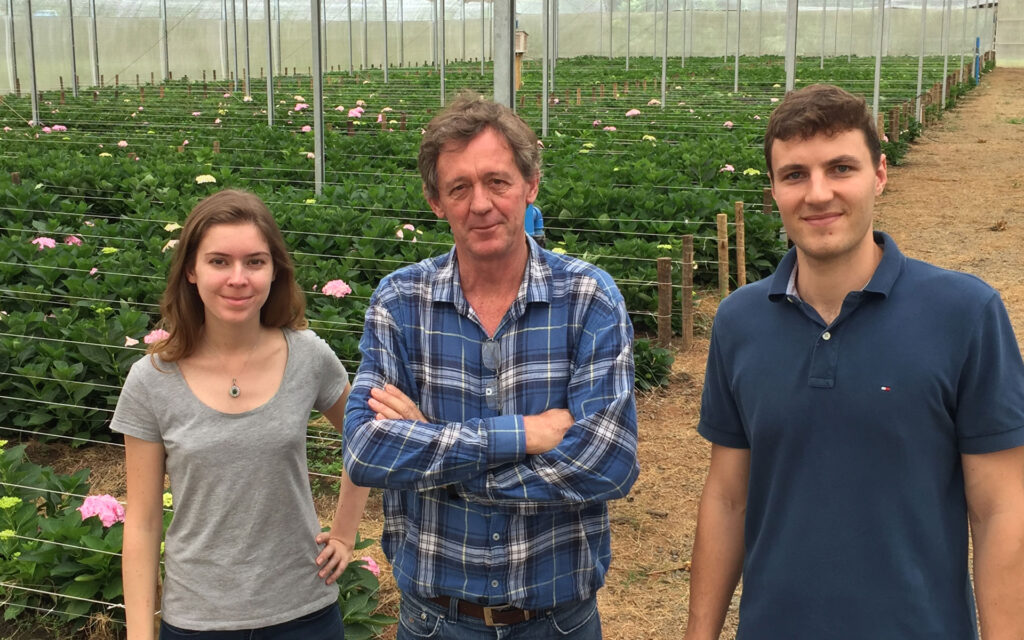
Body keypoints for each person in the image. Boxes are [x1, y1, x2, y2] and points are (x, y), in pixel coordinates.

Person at [684, 83, 1024, 640]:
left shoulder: (964, 313)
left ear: (880, 174)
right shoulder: (739, 321)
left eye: (841, 168)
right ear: (773, 189)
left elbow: (1000, 509)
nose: (818, 194)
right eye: (795, 174)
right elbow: (728, 498)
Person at [343, 92, 640, 639]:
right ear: (436, 201)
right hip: (436, 622)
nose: (480, 203)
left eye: (497, 181)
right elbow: (365, 450)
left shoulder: (588, 298)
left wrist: (439, 461)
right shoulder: (400, 301)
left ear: (531, 185)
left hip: (557, 624)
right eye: (459, 187)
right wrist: (523, 434)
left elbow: (608, 464)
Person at [114, 189, 370, 640]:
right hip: (197, 623)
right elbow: (143, 522)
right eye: (219, 261)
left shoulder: (308, 356)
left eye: (255, 262)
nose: (239, 278)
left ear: (274, 270)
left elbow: (366, 438)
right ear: (191, 270)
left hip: (304, 615)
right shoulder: (151, 380)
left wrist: (345, 533)